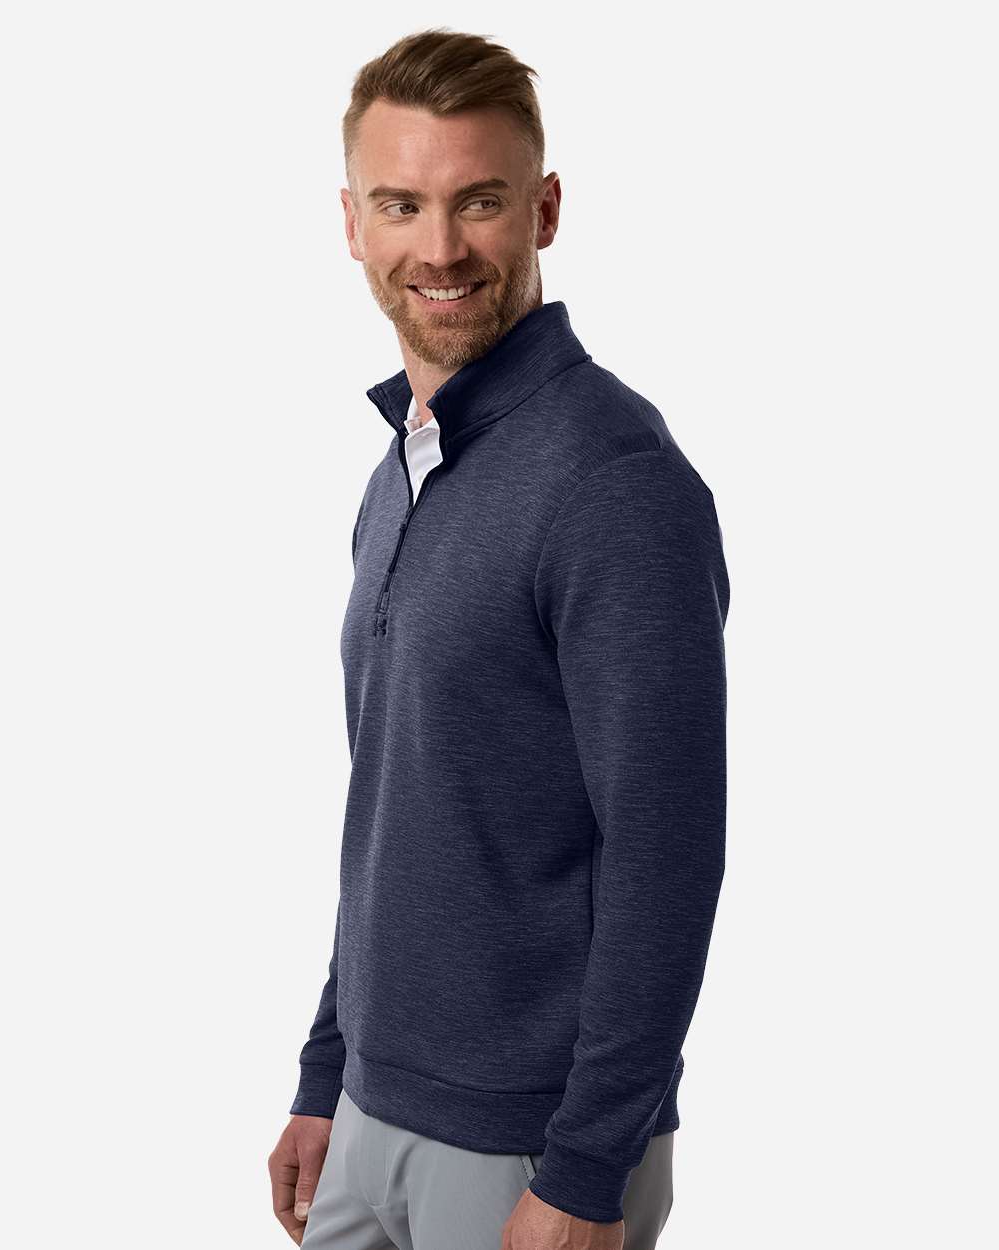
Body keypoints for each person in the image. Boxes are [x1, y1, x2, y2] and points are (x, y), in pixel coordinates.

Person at [268, 27, 730, 1250]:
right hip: (373, 1113)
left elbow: (666, 854)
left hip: (531, 1145)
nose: (439, 248)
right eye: (400, 204)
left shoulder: (614, 482)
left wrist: (586, 1168)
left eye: (478, 201)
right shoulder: (404, 469)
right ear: (352, 223)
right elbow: (397, 808)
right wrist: (328, 1072)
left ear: (545, 210)